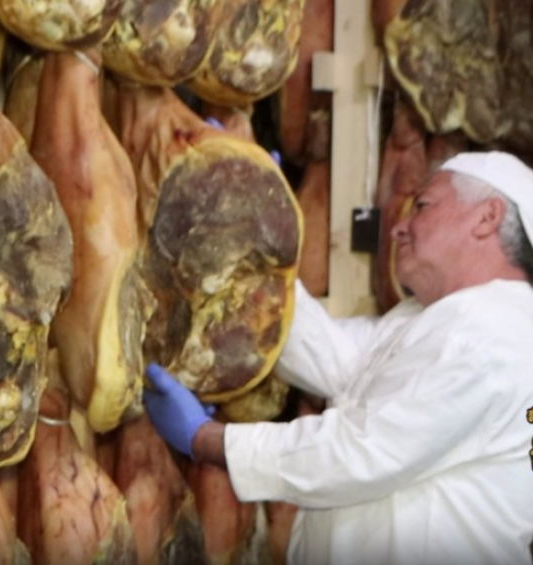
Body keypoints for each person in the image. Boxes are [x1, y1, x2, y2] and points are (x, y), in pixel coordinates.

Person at [144, 151, 533, 565]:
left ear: (487, 217)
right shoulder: (433, 319)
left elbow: (364, 449)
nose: (398, 227)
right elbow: (333, 360)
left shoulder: (496, 333)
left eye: (423, 206)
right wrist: (252, 220)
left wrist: (206, 439)